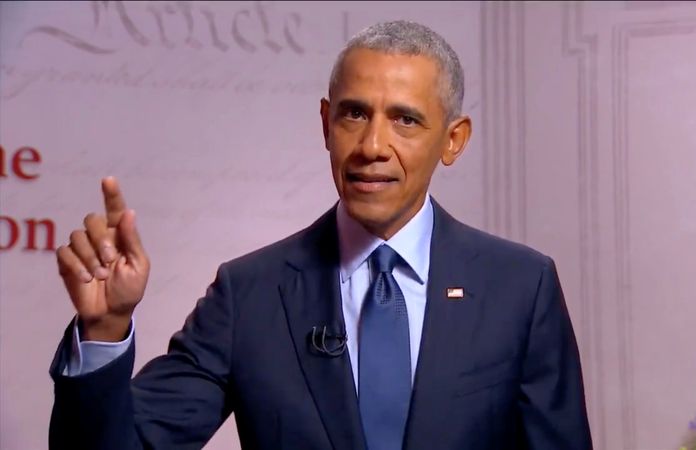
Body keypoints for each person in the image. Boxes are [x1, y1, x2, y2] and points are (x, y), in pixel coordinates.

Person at [49, 20, 592, 450]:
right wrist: (105, 330)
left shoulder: (521, 287)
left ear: (454, 140)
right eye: (354, 114)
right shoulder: (249, 294)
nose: (372, 145)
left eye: (404, 120)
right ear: (326, 123)